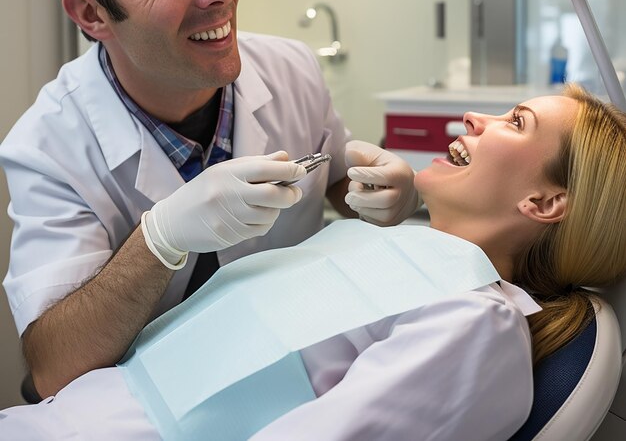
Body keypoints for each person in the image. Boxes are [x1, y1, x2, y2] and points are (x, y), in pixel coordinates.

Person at [0, 0, 419, 400]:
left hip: (295, 369)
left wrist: (386, 195)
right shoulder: (48, 146)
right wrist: (161, 239)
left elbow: (340, 181)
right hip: (157, 401)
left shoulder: (291, 68)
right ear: (91, 14)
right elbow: (54, 363)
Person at [1, 84, 625, 440]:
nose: (473, 118)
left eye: (516, 122)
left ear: (544, 202)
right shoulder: (380, 243)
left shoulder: (474, 324)